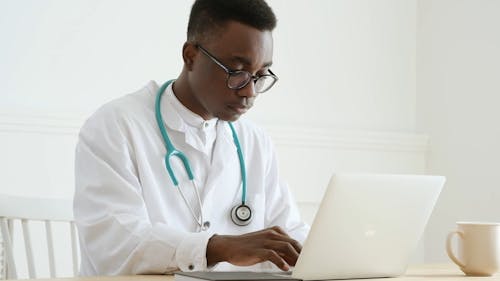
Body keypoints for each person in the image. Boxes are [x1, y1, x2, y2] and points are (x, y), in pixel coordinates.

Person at [74, 0, 309, 276]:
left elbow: (289, 233)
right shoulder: (116, 126)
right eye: (237, 72)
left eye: (259, 75)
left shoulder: (255, 142)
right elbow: (115, 245)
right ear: (191, 56)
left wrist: (317, 253)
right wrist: (216, 248)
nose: (250, 92)